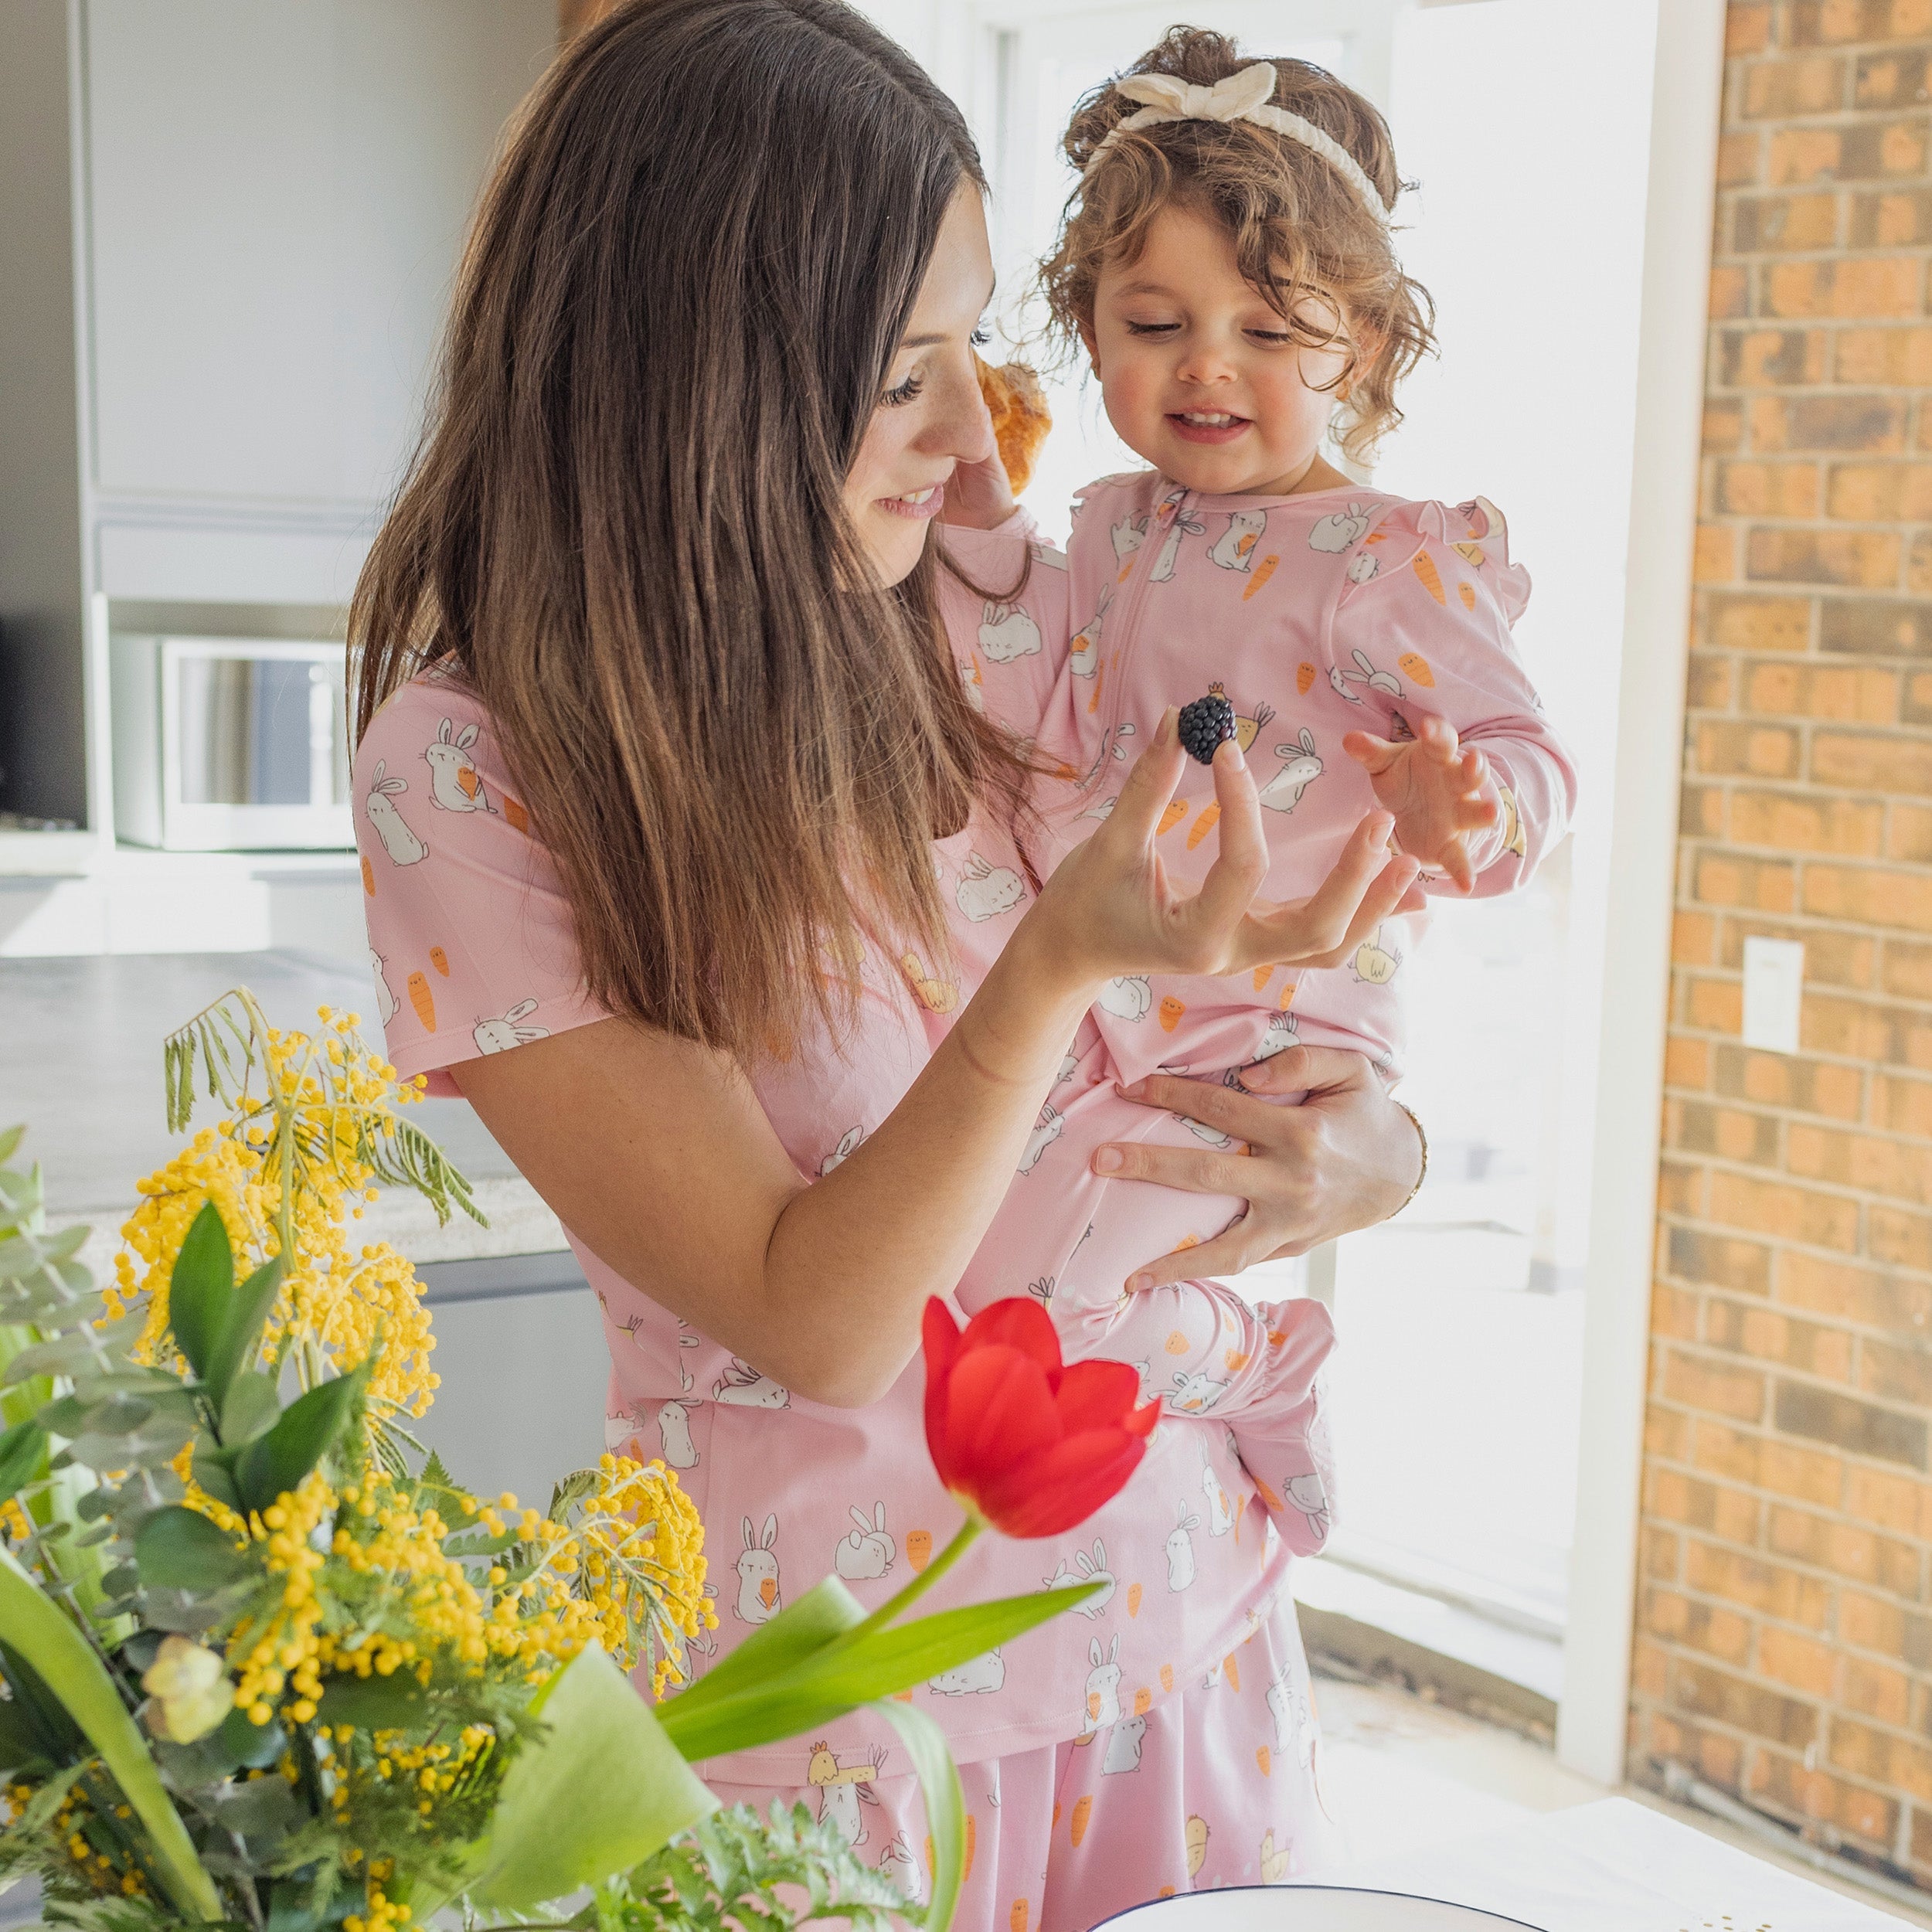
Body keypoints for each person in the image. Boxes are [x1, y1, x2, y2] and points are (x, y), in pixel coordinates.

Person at [350, 4, 1427, 1921]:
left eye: (974, 348)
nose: (969, 429)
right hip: (848, 1719)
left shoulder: (973, 582)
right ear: (700, 372)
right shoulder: (475, 770)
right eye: (895, 370)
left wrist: (1377, 1149)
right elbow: (817, 1316)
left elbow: (1253, 952)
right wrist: (1048, 973)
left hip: (1176, 1630)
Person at [932, 28, 1578, 1558]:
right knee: (964, 1288)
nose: (1203, 362)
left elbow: (1532, 755)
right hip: (1098, 1003)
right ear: (1088, 331)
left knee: (1039, 1308)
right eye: (1152, 320)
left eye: (1266, 327)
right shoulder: (1104, 525)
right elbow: (1007, 635)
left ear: (1356, 343)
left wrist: (1465, 809)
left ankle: (1260, 1362)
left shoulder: (1390, 556)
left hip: (1261, 1037)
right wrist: (960, 484)